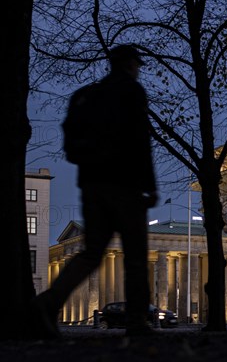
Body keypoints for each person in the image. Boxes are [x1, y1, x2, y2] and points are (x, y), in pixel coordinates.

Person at [31, 44, 158, 339]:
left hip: (92, 185)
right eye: (136, 64)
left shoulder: (86, 95)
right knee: (136, 256)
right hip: (125, 185)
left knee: (91, 254)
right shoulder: (131, 92)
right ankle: (137, 322)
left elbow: (71, 147)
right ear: (128, 65)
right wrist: (149, 187)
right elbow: (141, 141)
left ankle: (48, 303)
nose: (138, 69)